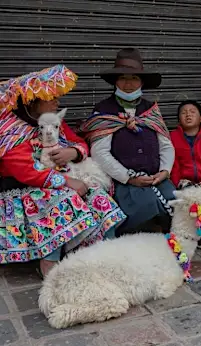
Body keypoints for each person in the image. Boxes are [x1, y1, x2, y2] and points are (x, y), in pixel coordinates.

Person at [0, 65, 126, 277]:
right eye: (52, 98)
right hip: (22, 191)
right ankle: (50, 261)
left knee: (98, 195)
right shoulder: (10, 132)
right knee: (64, 200)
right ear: (34, 102)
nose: (57, 102)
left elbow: (79, 142)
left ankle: (107, 251)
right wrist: (67, 182)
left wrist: (72, 152)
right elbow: (27, 172)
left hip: (57, 180)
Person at [78, 48, 175, 234]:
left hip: (156, 177)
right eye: (123, 78)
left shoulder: (151, 109)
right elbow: (100, 153)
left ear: (142, 82)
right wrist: (129, 177)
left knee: (174, 201)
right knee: (144, 205)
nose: (128, 84)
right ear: (115, 81)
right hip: (124, 181)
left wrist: (164, 171)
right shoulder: (104, 110)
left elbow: (166, 145)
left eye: (134, 78)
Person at [170, 100, 201, 248]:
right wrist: (176, 182)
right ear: (179, 119)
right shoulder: (173, 137)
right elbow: (174, 164)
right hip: (184, 180)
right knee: (187, 203)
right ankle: (184, 234)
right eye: (184, 113)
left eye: (192, 112)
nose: (188, 115)